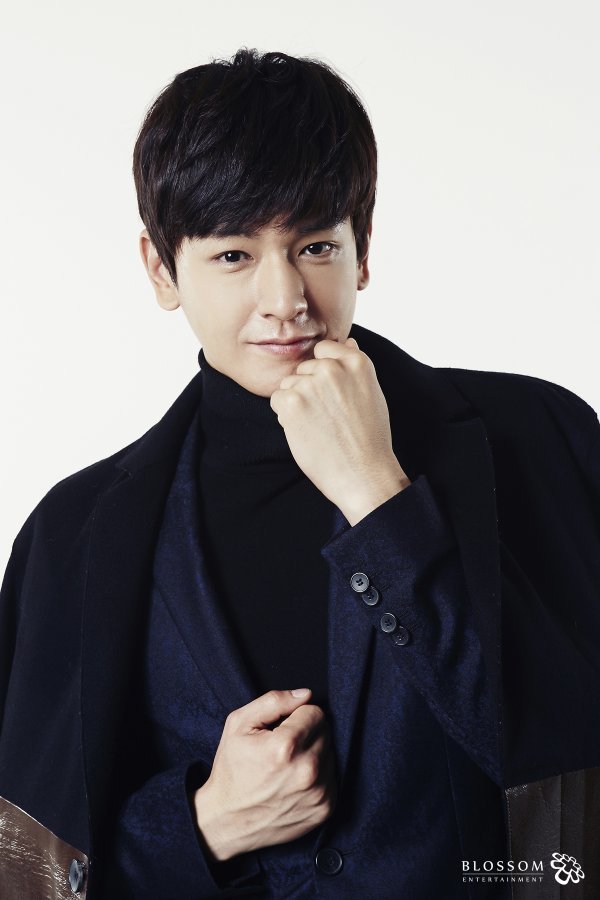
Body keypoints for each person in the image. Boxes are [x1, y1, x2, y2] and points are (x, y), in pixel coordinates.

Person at [1, 48, 599, 900]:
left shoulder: (541, 439)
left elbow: (571, 788)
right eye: (234, 255)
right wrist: (204, 826)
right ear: (161, 269)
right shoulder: (76, 532)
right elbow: (25, 871)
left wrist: (377, 496)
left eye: (315, 245)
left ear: (364, 249)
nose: (285, 299)